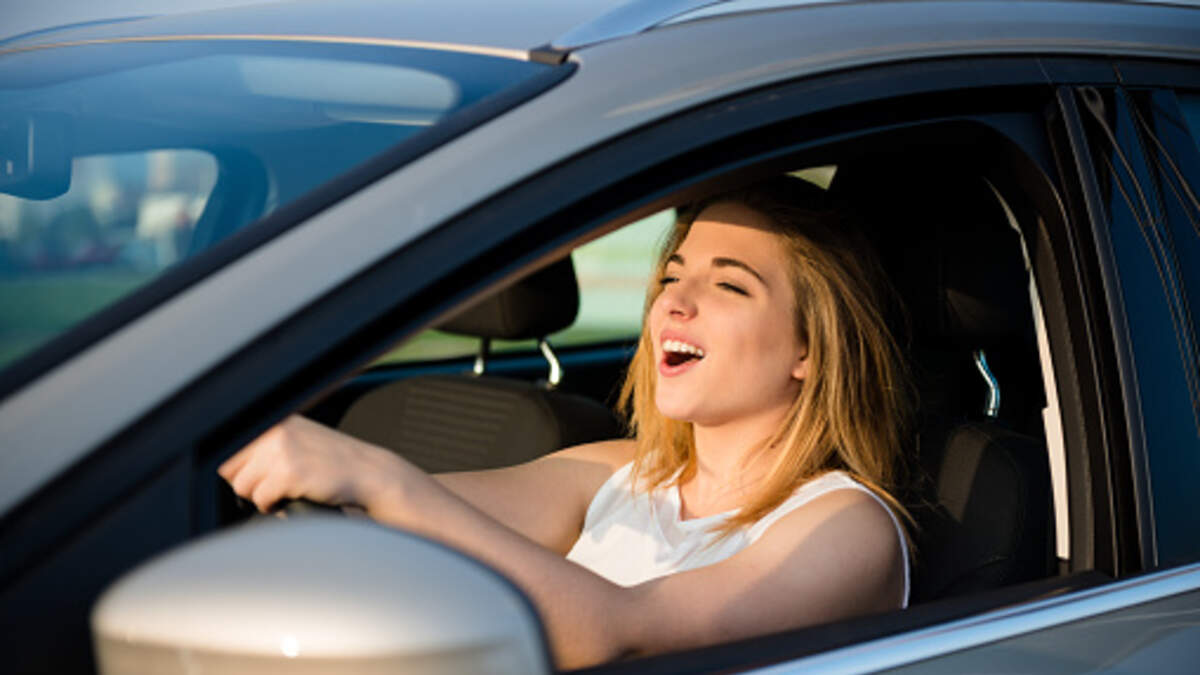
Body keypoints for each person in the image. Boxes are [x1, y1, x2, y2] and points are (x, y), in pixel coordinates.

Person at [219, 175, 913, 669]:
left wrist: (379, 477)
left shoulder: (847, 527)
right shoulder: (619, 470)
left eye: (729, 284)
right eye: (672, 276)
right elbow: (403, 525)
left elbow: (626, 633)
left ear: (808, 349)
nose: (675, 302)